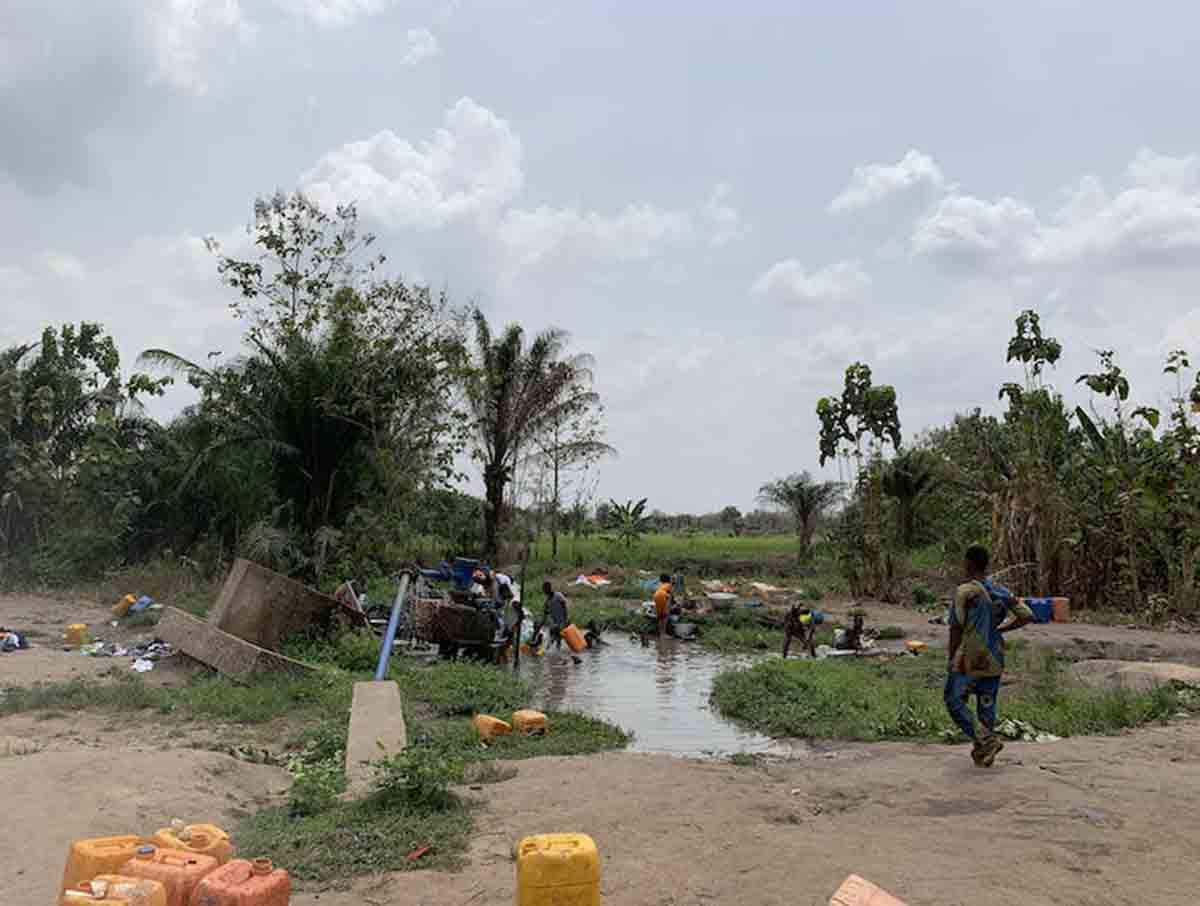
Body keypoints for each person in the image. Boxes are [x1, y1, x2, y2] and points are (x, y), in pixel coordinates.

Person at [945, 544, 1033, 767]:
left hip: (970, 656)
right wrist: (1001, 629)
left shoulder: (965, 592)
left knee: (954, 700)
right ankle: (984, 753)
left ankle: (985, 740)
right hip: (995, 655)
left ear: (969, 563)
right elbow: (1026, 615)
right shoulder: (1001, 592)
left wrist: (951, 657)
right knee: (986, 702)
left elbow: (955, 628)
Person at [541, 581, 569, 650]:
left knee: (556, 636)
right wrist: (543, 621)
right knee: (554, 636)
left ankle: (548, 649)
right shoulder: (547, 601)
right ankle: (553, 650)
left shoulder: (558, 595)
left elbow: (564, 606)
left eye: (545, 589)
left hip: (562, 621)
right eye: (544, 589)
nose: (544, 591)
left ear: (549, 588)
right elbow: (545, 612)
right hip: (554, 623)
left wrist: (566, 619)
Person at [652, 573, 673, 638]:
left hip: (656, 595)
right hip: (663, 596)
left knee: (660, 616)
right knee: (665, 616)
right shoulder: (669, 585)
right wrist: (668, 607)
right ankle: (663, 634)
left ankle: (660, 633)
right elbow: (670, 597)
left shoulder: (661, 585)